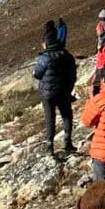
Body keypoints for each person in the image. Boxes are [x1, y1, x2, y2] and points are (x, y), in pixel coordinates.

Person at [33, 23, 77, 155]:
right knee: (67, 116)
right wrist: (69, 88)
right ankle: (67, 142)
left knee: (50, 118)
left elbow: (37, 74)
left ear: (46, 43)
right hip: (63, 91)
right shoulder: (67, 55)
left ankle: (49, 146)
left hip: (48, 94)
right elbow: (73, 74)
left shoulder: (44, 58)